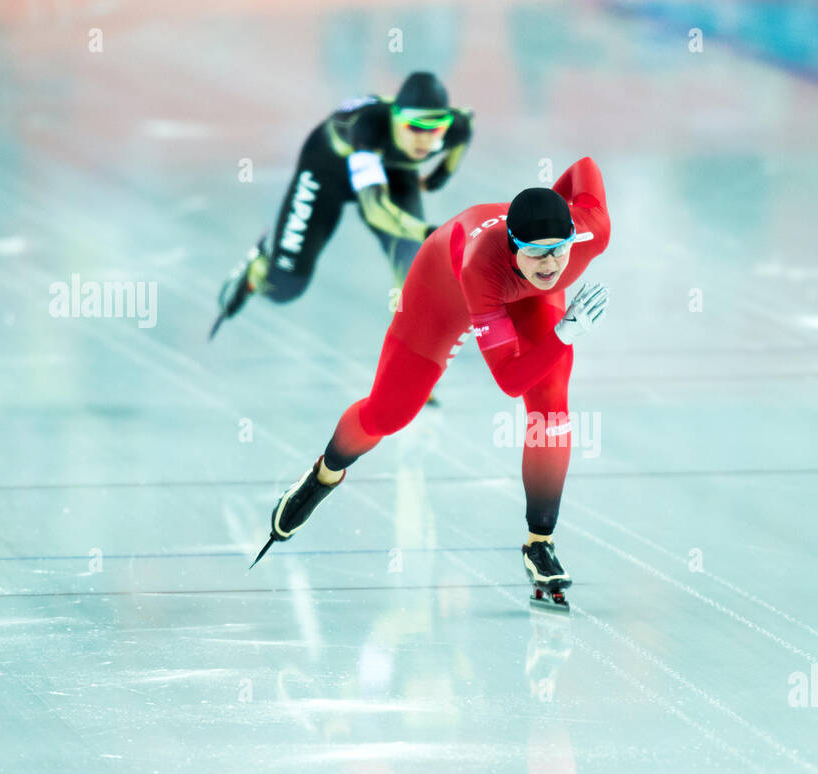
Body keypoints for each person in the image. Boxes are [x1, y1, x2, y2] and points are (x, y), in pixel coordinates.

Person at [250, 157, 612, 608]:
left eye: (558, 248)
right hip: (443, 288)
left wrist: (551, 208)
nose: (551, 263)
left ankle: (540, 542)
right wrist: (565, 332)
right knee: (389, 412)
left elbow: (584, 166)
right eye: (536, 252)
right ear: (514, 245)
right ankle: (323, 476)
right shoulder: (484, 266)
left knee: (552, 404)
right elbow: (509, 380)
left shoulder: (590, 230)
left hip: (527, 296)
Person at [210, 71, 473, 339]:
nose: (426, 140)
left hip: (392, 170)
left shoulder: (457, 127)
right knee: (285, 286)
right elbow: (375, 209)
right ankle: (257, 272)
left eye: (436, 128)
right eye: (415, 127)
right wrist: (427, 232)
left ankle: (410, 354)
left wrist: (438, 178)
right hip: (328, 170)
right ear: (395, 118)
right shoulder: (369, 127)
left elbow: (465, 128)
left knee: (415, 272)